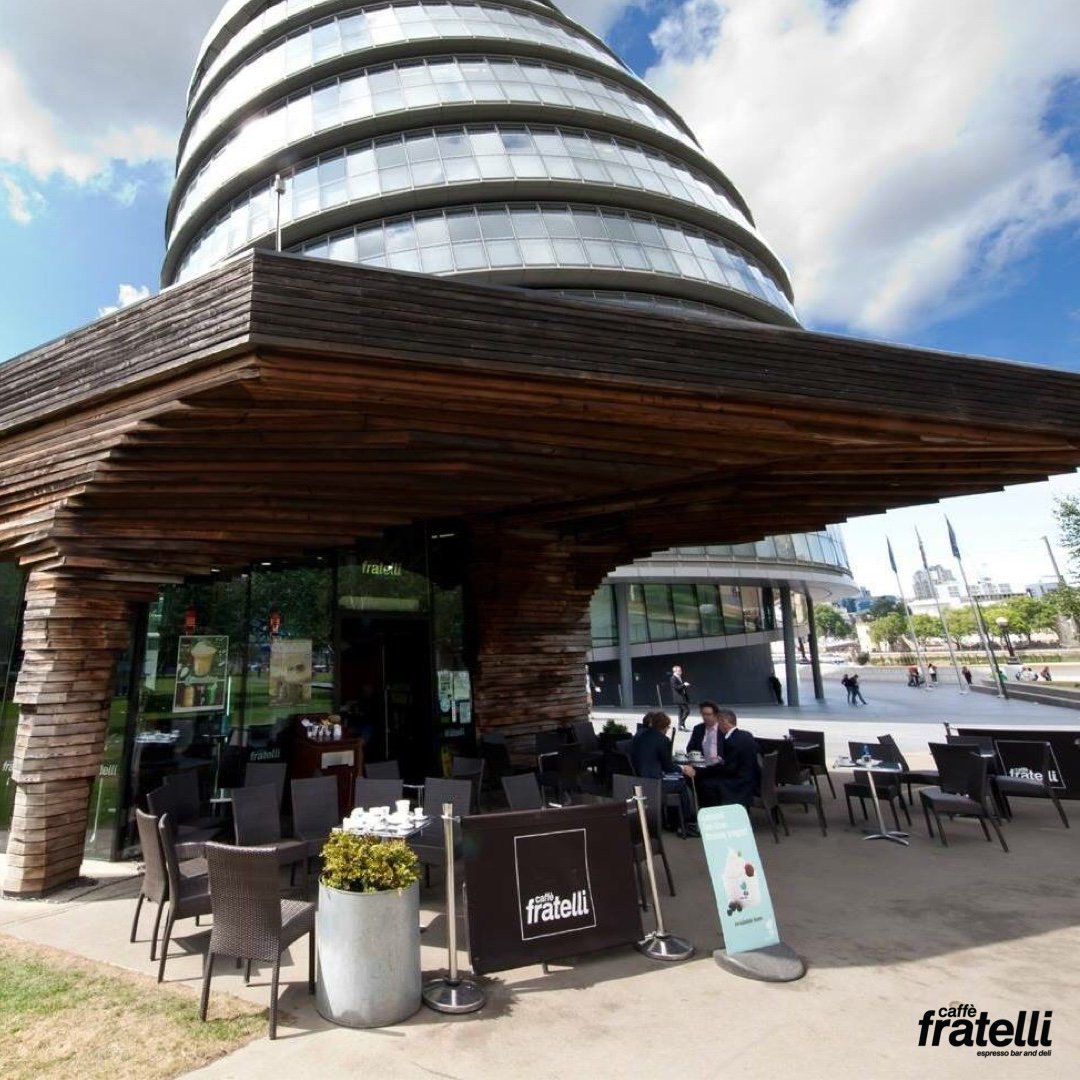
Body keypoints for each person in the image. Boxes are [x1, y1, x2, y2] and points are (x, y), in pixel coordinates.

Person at [630, 711, 699, 837]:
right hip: (655, 783)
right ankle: (684, 823)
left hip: (639, 780)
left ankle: (674, 822)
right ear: (664, 727)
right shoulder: (662, 740)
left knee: (676, 781)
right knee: (681, 784)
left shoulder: (639, 736)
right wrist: (683, 768)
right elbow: (668, 766)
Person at [687, 702, 760, 808]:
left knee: (706, 785)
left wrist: (709, 768)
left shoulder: (731, 740)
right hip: (745, 776)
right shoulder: (746, 735)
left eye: (708, 714)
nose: (705, 717)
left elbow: (729, 768)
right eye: (703, 714)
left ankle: (710, 812)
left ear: (722, 721)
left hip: (738, 781)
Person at [669, 664, 692, 731]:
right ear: (675, 671)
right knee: (687, 711)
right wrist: (684, 685)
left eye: (681, 670)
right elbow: (676, 687)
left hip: (682, 697)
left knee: (681, 712)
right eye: (679, 670)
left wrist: (684, 685)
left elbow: (680, 687)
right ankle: (681, 724)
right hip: (679, 698)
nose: (681, 671)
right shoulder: (673, 678)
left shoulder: (679, 677)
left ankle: (681, 727)